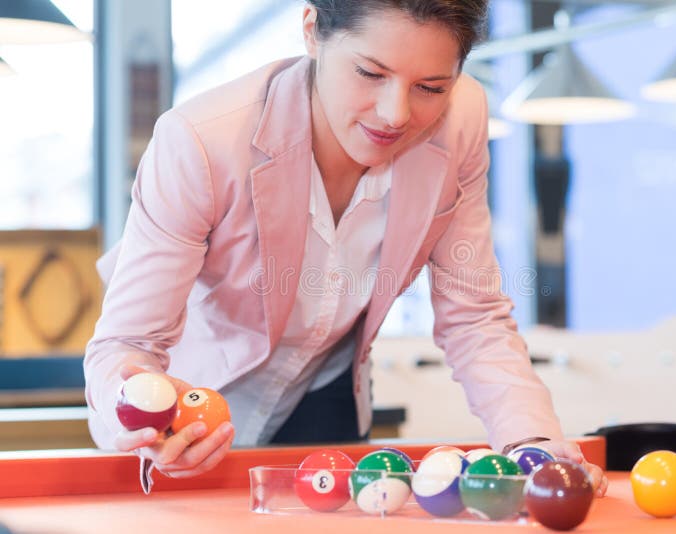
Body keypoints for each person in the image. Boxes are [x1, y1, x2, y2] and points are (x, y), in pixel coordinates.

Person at [84, 0, 607, 496]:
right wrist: (138, 412)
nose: (395, 114)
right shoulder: (200, 141)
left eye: (430, 86)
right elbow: (126, 343)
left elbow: (475, 318)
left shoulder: (463, 117)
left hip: (328, 384)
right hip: (195, 408)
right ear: (312, 29)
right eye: (370, 73)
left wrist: (533, 444)